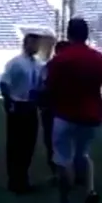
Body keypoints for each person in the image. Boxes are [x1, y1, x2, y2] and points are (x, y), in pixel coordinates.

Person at [45, 18, 102, 203]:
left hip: (65, 116)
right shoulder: (98, 58)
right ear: (87, 34)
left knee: (63, 160)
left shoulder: (61, 59)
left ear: (69, 34)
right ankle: (90, 191)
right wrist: (101, 109)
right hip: (90, 116)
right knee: (83, 154)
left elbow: (50, 87)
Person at [0, 33, 43, 194]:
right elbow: (4, 83)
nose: (37, 48)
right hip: (18, 106)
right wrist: (9, 101)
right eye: (34, 44)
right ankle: (15, 180)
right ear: (26, 44)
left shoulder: (38, 65)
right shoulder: (15, 63)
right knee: (16, 145)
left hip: (31, 107)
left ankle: (23, 178)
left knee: (29, 145)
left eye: (38, 45)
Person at [39, 40, 70, 182]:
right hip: (62, 110)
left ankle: (57, 172)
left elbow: (42, 87)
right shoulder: (67, 67)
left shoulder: (49, 67)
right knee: (63, 141)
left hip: (53, 110)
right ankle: (64, 171)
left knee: (52, 141)